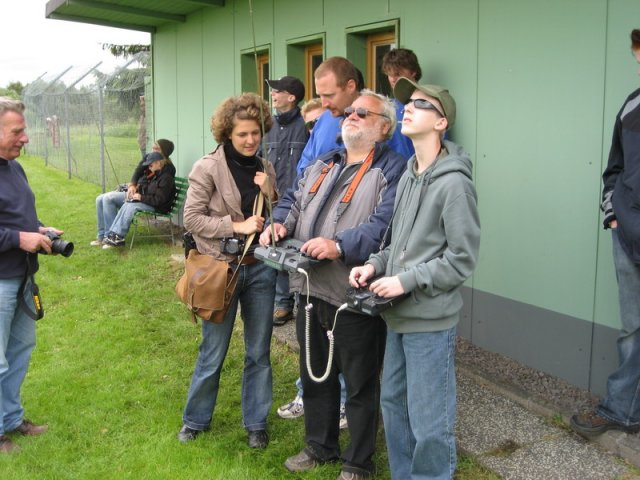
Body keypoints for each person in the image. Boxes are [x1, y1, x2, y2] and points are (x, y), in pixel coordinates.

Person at [261, 90, 406, 479]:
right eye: (350, 112)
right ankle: (319, 447)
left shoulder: (394, 170)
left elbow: (385, 227)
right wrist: (279, 224)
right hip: (309, 287)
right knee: (314, 374)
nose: (351, 116)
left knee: (359, 385)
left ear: (384, 128)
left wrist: (338, 245)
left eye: (363, 113)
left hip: (353, 295)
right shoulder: (325, 161)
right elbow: (292, 201)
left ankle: (358, 463)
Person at [349, 79, 480, 479]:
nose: (408, 107)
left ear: (441, 123)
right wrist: (374, 265)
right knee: (394, 406)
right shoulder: (409, 175)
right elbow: (398, 243)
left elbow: (462, 259)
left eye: (422, 104)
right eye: (409, 102)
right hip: (398, 317)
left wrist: (405, 281)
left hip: (430, 321)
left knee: (430, 422)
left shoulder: (455, 183)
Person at [177, 93, 278, 450]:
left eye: (255, 133)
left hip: (261, 271)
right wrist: (237, 226)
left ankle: (256, 423)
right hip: (221, 270)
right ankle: (195, 420)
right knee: (213, 351)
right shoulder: (207, 168)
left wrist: (271, 192)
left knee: (258, 352)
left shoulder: (265, 167)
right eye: (242, 134)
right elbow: (191, 219)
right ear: (227, 134)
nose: (250, 140)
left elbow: (275, 215)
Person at [571, 29, 640, 438]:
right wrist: (614, 217)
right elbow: (614, 168)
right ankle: (624, 410)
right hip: (628, 237)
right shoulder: (632, 105)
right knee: (632, 328)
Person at [0, 97, 62, 453]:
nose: (25, 138)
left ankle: (11, 419)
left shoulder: (14, 168)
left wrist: (37, 229)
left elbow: (14, 216)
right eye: (17, 131)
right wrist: (19, 239)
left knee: (20, 350)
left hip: (22, 277)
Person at [295, 56, 413, 175]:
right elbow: (303, 169)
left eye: (329, 95)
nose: (324, 104)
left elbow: (401, 173)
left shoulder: (381, 120)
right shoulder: (323, 121)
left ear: (351, 86)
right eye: (320, 95)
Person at [264, 76, 308, 326]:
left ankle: (289, 303)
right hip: (269, 199)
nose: (273, 94)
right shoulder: (268, 126)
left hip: (295, 200)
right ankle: (279, 303)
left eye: (277, 91)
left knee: (290, 252)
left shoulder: (305, 127)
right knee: (272, 248)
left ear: (291, 97)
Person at [92, 138, 174, 247]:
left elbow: (159, 196)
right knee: (101, 198)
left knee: (126, 203)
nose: (153, 150)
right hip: (142, 196)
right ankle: (105, 236)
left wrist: (141, 196)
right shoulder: (152, 164)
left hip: (152, 202)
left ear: (162, 156)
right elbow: (139, 172)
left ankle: (114, 236)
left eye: (156, 148)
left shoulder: (166, 173)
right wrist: (132, 185)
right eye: (153, 147)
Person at [381, 47, 422, 159]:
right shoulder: (386, 107)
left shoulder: (428, 105)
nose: (393, 79)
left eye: (397, 74)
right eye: (389, 74)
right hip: (387, 168)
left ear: (413, 72)